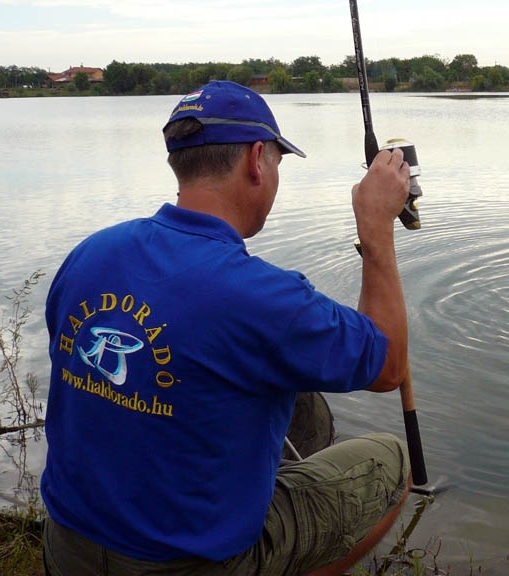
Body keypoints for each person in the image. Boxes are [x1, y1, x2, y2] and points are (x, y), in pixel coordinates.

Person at [42, 80, 413, 576]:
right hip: (186, 564)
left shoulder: (91, 253)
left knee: (305, 408)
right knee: (391, 463)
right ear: (257, 160)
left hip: (67, 548)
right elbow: (388, 365)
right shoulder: (260, 296)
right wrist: (376, 227)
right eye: (278, 162)